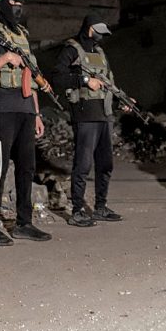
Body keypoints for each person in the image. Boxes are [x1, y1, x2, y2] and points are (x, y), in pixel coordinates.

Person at [0, 0, 52, 245]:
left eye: (20, 2)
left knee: (27, 169)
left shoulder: (23, 36)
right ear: (1, 6)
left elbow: (29, 77)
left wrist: (37, 113)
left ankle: (24, 223)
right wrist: (5, 57)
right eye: (12, 2)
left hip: (26, 110)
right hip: (2, 110)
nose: (17, 6)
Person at [51, 14, 124, 227]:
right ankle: (77, 211)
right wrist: (83, 80)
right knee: (83, 164)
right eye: (99, 31)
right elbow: (57, 77)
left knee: (105, 164)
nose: (101, 36)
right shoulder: (72, 49)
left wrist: (122, 102)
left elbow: (109, 83)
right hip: (85, 115)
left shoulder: (100, 52)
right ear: (91, 29)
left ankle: (101, 207)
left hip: (104, 114)